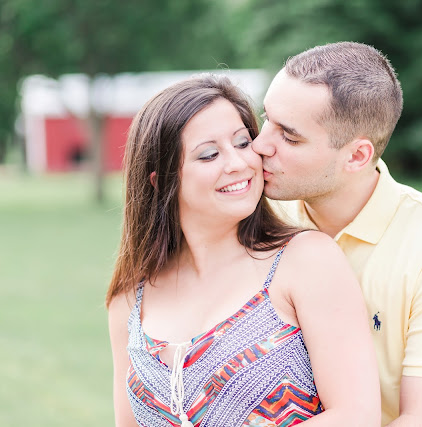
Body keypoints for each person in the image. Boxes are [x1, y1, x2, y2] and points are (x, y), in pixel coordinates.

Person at [106, 74, 380, 427]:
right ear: (162, 182)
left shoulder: (306, 260)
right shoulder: (130, 299)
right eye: (209, 155)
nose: (237, 163)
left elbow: (357, 416)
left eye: (242, 143)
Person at [252, 42, 422, 426]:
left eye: (289, 136)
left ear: (357, 156)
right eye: (267, 119)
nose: (261, 145)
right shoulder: (257, 218)